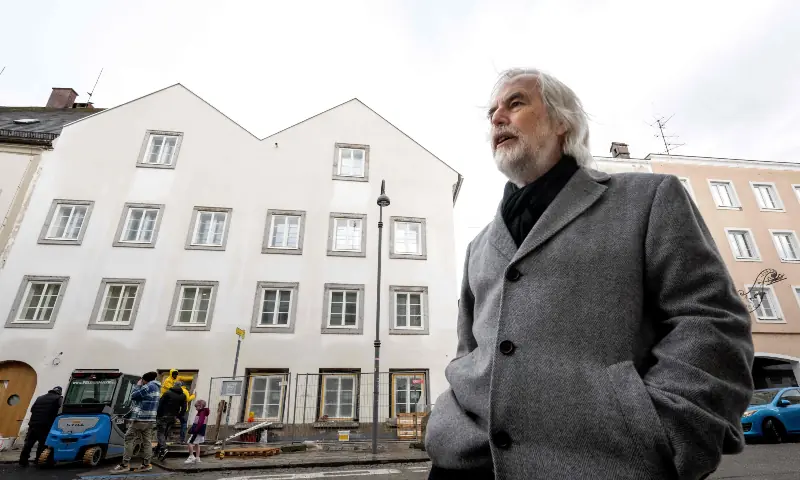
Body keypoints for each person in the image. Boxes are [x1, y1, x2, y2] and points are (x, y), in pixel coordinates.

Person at [424, 68, 755, 480]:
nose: (497, 118)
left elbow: (711, 321)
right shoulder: (479, 246)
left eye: (516, 103)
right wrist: (448, 424)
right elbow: (468, 350)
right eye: (492, 112)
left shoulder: (647, 199)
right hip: (466, 463)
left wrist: (666, 432)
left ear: (563, 121)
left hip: (606, 464)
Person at [111, 371, 160, 474]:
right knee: (147, 441)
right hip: (150, 419)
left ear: (145, 380)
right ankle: (146, 464)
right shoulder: (157, 387)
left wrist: (137, 386)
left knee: (128, 439)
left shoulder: (148, 386)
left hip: (140, 418)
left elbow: (134, 395)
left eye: (142, 380)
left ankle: (124, 464)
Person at [18, 386, 62, 466]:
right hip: (45, 425)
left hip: (33, 424)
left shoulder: (39, 398)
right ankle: (38, 460)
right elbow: (59, 411)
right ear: (59, 392)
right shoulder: (58, 398)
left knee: (28, 443)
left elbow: (32, 409)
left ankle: (23, 461)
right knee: (42, 444)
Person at [155, 381, 187, 460]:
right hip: (173, 417)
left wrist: (158, 415)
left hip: (163, 416)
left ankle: (163, 448)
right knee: (164, 433)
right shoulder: (183, 396)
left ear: (174, 385)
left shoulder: (167, 393)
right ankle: (157, 451)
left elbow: (160, 404)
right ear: (180, 386)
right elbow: (184, 408)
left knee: (160, 433)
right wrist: (178, 415)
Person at [184, 399, 210, 464]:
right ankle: (197, 458)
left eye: (196, 407)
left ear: (200, 406)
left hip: (197, 431)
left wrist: (195, 430)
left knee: (190, 442)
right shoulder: (203, 412)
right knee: (197, 444)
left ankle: (191, 457)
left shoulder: (202, 412)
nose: (196, 408)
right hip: (200, 431)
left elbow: (200, 422)